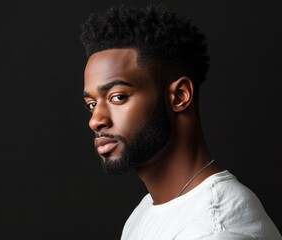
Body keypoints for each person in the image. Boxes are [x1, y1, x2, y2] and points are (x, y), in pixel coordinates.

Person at [80, 4, 282, 240]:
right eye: (92, 104)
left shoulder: (215, 230)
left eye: (118, 97)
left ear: (180, 96)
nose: (95, 120)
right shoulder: (148, 209)